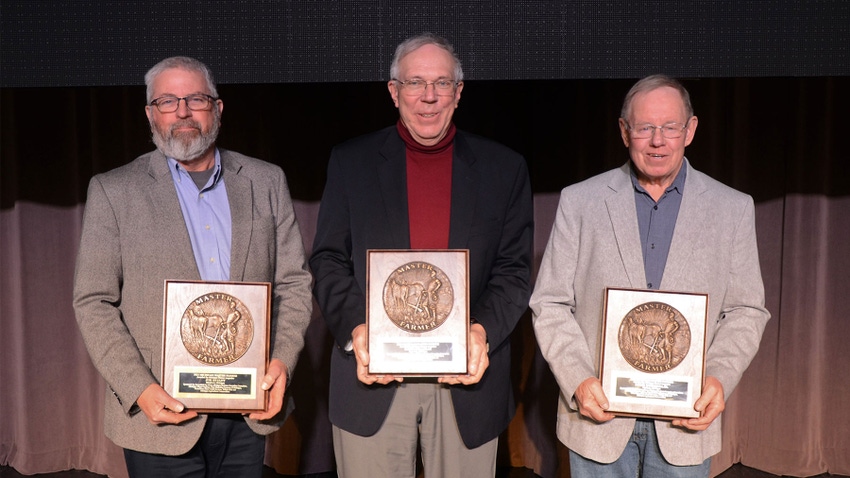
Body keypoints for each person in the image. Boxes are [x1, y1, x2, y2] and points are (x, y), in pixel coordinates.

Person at [72, 56, 313, 477]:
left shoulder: (266, 180)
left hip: (248, 409)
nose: (182, 111)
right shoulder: (113, 191)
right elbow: (94, 301)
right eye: (167, 101)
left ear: (217, 109)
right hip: (160, 413)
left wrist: (283, 362)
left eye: (195, 99)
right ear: (150, 114)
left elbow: (293, 283)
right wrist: (139, 389)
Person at [309, 33, 533, 478]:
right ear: (394, 92)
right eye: (415, 83)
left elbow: (514, 271)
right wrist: (358, 330)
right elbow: (328, 259)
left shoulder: (504, 168)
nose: (428, 97)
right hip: (372, 378)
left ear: (459, 92)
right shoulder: (350, 162)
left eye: (441, 83)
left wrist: (481, 333)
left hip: (466, 382)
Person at [529, 74, 771, 477]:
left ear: (690, 130)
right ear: (625, 132)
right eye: (645, 128)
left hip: (686, 423)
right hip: (597, 420)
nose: (658, 141)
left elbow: (747, 310)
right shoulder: (581, 201)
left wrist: (719, 379)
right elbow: (550, 302)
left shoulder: (733, 208)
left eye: (670, 127)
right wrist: (577, 380)